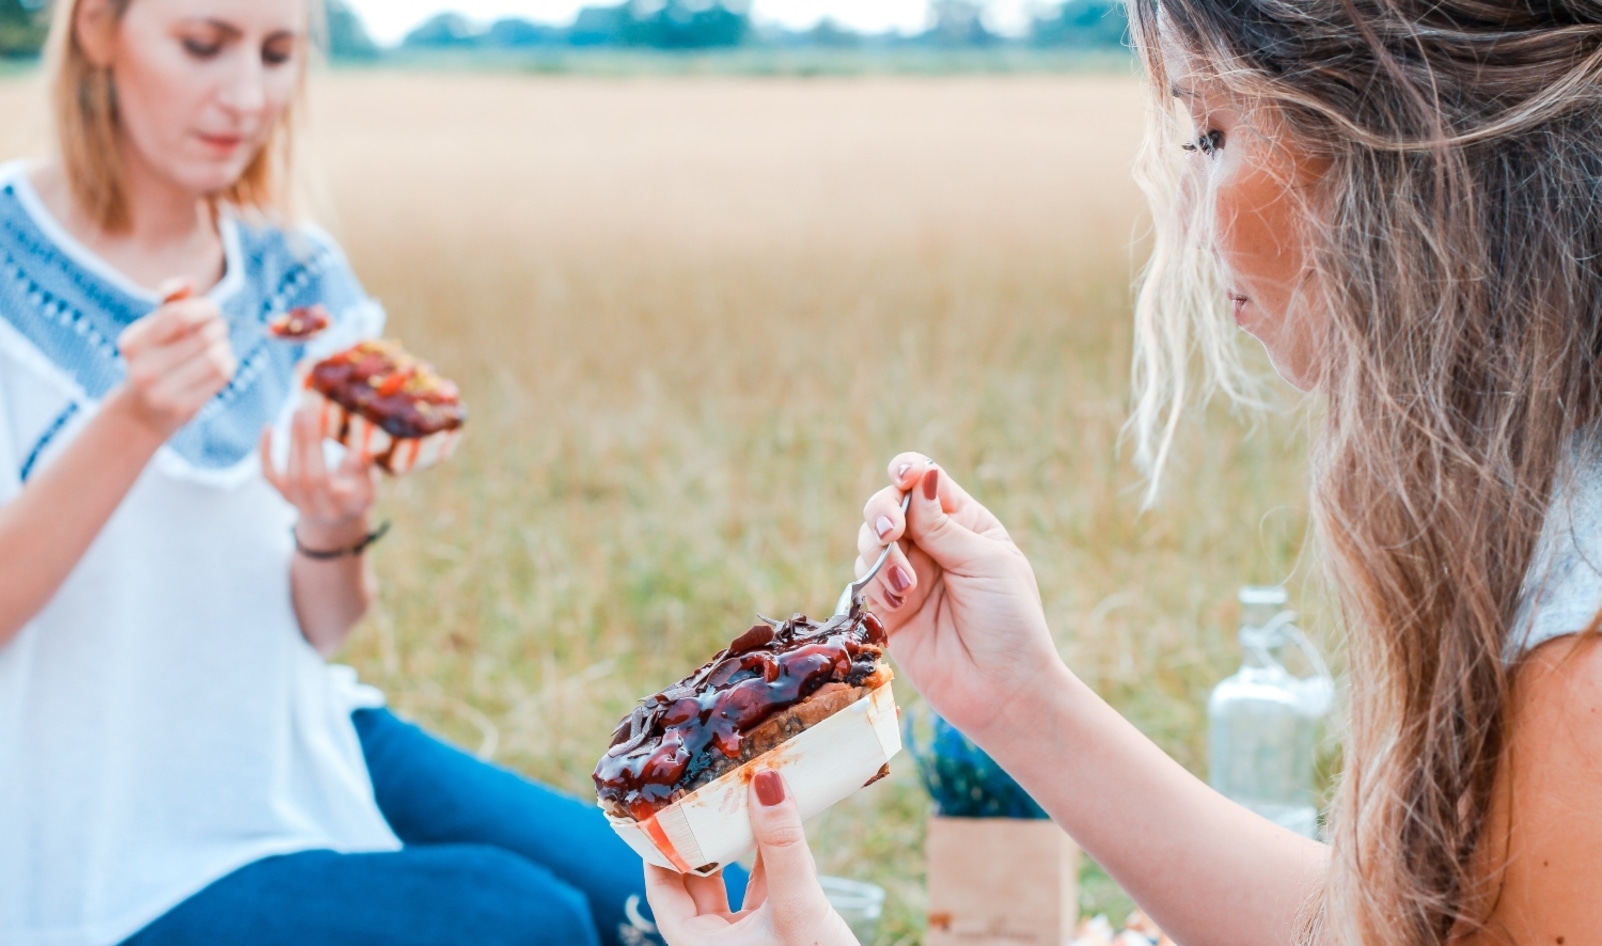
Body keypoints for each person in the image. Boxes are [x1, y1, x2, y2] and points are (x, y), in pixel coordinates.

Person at [645, 2, 1602, 945]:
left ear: (1406, 139)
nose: (1185, 222)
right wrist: (1020, 703)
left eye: (1214, 132)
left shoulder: (1579, 681)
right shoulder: (1553, 527)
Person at [0, 1, 741, 944]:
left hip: (297, 732)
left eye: (278, 54)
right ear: (99, 28)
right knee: (525, 923)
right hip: (90, 815)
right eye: (203, 44)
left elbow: (324, 623)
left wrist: (333, 527)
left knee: (707, 892)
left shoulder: (297, 280)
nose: (247, 96)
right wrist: (135, 418)